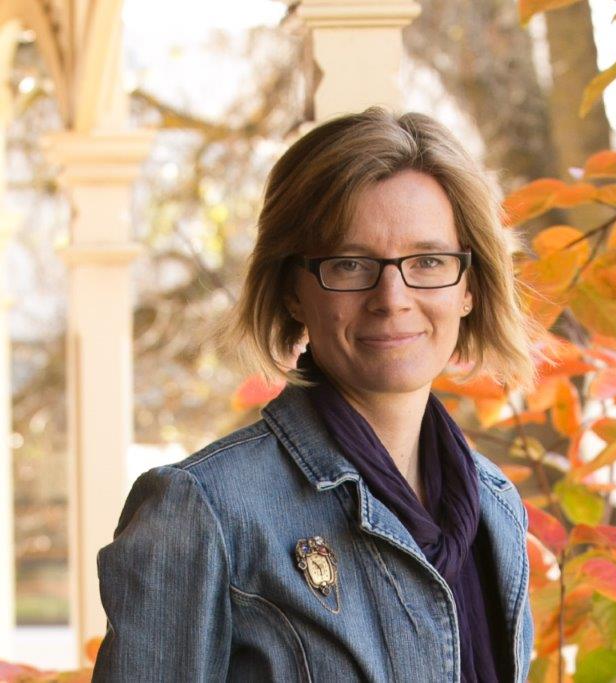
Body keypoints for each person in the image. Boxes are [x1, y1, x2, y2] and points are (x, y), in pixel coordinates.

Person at [92, 107, 546, 681]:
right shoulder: (203, 511)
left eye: (429, 261)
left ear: (469, 287)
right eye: (350, 264)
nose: (392, 298)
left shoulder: (495, 506)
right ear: (292, 291)